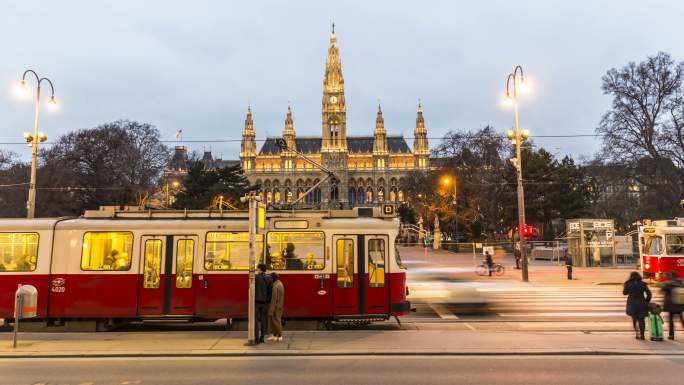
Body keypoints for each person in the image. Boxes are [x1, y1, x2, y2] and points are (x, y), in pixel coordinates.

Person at [623, 271, 652, 340]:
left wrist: (628, 289)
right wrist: (646, 301)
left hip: (632, 302)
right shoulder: (643, 284)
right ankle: (642, 335)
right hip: (641, 302)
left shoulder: (628, 283)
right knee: (641, 319)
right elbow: (649, 294)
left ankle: (637, 333)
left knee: (634, 319)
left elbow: (624, 293)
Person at [660, 271, 684, 340]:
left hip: (671, 305)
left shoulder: (669, 284)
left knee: (671, 321)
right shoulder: (680, 283)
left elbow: (662, 289)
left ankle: (671, 335)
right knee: (682, 320)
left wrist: (663, 281)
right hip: (680, 304)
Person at [255, 263, 273, 344]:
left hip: (256, 302)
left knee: (255, 320)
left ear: (260, 269)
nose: (257, 270)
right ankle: (262, 337)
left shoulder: (255, 278)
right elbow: (270, 292)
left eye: (257, 268)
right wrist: (268, 301)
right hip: (265, 303)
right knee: (263, 320)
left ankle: (256, 338)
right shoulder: (269, 278)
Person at [267, 272, 285, 341]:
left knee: (276, 321)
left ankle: (280, 335)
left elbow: (274, 299)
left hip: (276, 307)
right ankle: (275, 335)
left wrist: (271, 309)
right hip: (280, 305)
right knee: (275, 321)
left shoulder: (275, 286)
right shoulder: (280, 284)